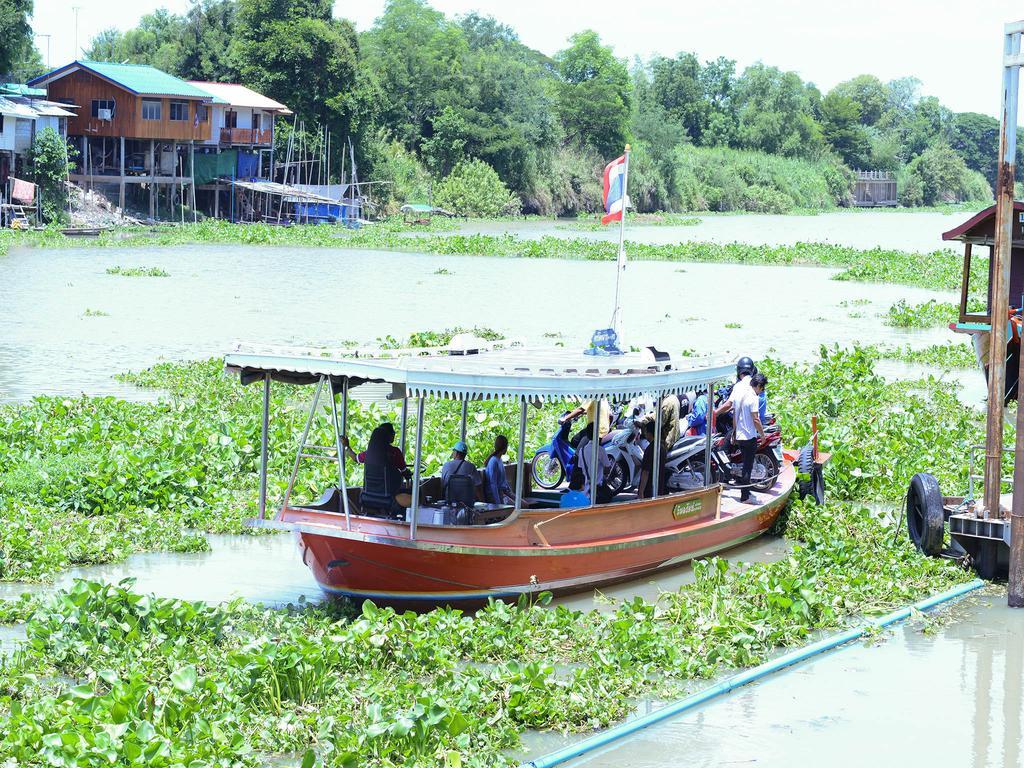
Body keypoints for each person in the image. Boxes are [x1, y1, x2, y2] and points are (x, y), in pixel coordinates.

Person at [342, 423, 411, 514]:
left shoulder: (368, 454)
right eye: (392, 433)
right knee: (416, 496)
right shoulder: (395, 452)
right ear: (388, 436)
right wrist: (408, 473)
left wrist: (346, 446)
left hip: (368, 497)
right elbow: (404, 471)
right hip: (390, 497)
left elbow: (355, 458)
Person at [733, 373, 767, 503]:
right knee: (748, 467)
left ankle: (746, 492)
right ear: (758, 386)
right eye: (762, 388)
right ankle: (745, 497)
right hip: (749, 436)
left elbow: (736, 415)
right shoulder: (753, 398)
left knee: (745, 466)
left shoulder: (742, 395)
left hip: (740, 435)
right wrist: (762, 435)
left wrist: (735, 433)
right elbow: (756, 419)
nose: (762, 391)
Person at [441, 439, 481, 505]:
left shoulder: (446, 465)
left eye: (453, 451)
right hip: (467, 503)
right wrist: (483, 502)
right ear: (465, 454)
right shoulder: (471, 466)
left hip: (450, 502)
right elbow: (477, 487)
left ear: (456, 453)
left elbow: (443, 484)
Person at [577, 433, 614, 503]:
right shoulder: (600, 450)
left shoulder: (581, 450)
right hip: (599, 493)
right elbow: (607, 468)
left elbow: (581, 468)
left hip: (586, 492)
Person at [636, 420, 666, 499]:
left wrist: (641, 492)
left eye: (646, 432)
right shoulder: (662, 447)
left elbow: (645, 472)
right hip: (659, 488)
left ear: (650, 433)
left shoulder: (650, 449)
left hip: (649, 490)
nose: (645, 434)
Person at [484, 435, 515, 505]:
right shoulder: (493, 461)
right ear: (504, 448)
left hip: (504, 492)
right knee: (516, 507)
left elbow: (503, 480)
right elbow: (493, 484)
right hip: (496, 494)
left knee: (524, 504)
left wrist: (510, 492)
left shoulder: (499, 460)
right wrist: (498, 503)